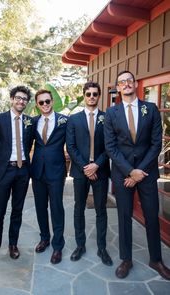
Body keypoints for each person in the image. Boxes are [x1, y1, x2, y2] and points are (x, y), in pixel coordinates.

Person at [104, 70, 170, 280]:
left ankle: (156, 260)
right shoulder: (111, 113)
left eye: (129, 80)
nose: (126, 84)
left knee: (151, 216)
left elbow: (155, 143)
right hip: (122, 174)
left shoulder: (149, 109)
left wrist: (139, 171)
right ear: (118, 87)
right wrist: (130, 171)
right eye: (122, 82)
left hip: (147, 173)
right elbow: (110, 147)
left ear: (135, 84)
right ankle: (126, 259)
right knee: (124, 217)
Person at [66, 81, 112, 266]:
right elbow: (71, 146)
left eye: (95, 94)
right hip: (80, 171)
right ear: (84, 96)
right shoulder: (73, 119)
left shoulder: (107, 118)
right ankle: (80, 245)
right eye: (88, 94)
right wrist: (86, 167)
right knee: (79, 209)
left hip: (100, 171)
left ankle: (102, 248)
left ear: (99, 96)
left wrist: (96, 166)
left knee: (101, 210)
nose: (91, 97)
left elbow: (110, 145)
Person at [0, 85, 34, 261]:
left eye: (24, 99)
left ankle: (13, 244)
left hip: (22, 171)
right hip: (5, 170)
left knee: (17, 209)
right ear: (12, 99)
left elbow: (28, 145)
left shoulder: (30, 121)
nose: (21, 101)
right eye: (18, 98)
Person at [31, 89, 67, 264]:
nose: (44, 105)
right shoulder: (33, 122)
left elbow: (73, 143)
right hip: (37, 171)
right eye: (41, 102)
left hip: (56, 172)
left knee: (56, 208)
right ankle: (44, 238)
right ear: (37, 105)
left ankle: (58, 246)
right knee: (40, 207)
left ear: (52, 101)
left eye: (47, 101)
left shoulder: (64, 121)